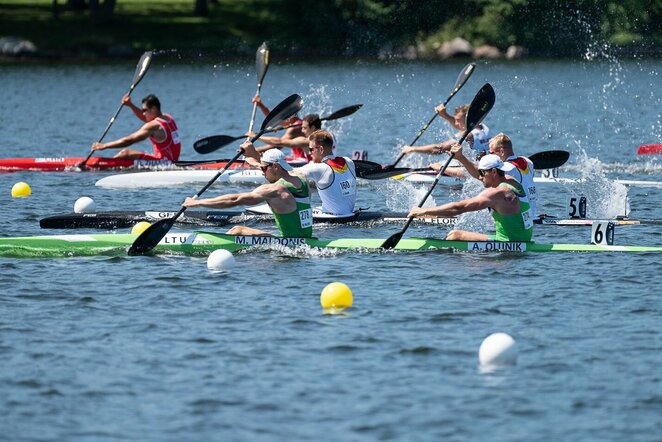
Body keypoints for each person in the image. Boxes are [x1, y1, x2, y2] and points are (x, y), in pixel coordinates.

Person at [182, 146, 312, 238]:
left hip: (289, 243)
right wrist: (254, 161)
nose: (262, 172)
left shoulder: (275, 190)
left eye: (264, 168)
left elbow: (235, 200)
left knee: (236, 231)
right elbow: (278, 171)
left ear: (276, 166)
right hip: (307, 238)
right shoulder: (301, 178)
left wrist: (197, 203)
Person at [408, 154, 533, 242]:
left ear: (494, 172)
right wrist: (460, 157)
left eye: (482, 173)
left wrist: (423, 211)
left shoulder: (497, 193)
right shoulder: (512, 181)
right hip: (523, 239)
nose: (479, 177)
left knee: (454, 235)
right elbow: (475, 175)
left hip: (508, 242)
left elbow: (459, 208)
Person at [441, 133, 538, 216]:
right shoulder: (527, 161)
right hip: (530, 212)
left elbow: (478, 174)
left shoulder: (508, 168)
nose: (489, 155)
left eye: (491, 153)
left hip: (516, 217)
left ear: (502, 152)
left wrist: (461, 158)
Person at [91, 94, 181, 161]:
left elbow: (129, 140)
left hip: (163, 163)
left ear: (153, 109)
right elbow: (145, 118)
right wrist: (130, 105)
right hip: (172, 161)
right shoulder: (168, 118)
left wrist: (105, 145)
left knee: (125, 153)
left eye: (144, 110)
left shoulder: (154, 125)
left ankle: (104, 165)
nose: (143, 113)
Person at [399, 103, 490, 158]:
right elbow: (461, 126)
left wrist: (412, 149)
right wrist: (444, 115)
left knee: (435, 165)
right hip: (481, 166)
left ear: (468, 119)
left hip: (468, 172)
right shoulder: (483, 127)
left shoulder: (467, 135)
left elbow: (439, 149)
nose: (456, 123)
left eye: (458, 120)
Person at [250, 95, 311, 162]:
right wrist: (260, 105)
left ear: (291, 115)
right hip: (297, 159)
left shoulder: (295, 127)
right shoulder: (292, 122)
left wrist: (255, 150)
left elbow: (278, 144)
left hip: (303, 160)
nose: (282, 118)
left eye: (284, 115)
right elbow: (272, 119)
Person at [251, 111, 322, 161]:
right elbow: (275, 120)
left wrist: (256, 136)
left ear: (313, 127)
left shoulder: (307, 141)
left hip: (316, 170)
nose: (302, 131)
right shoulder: (327, 135)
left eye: (304, 128)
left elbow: (279, 142)